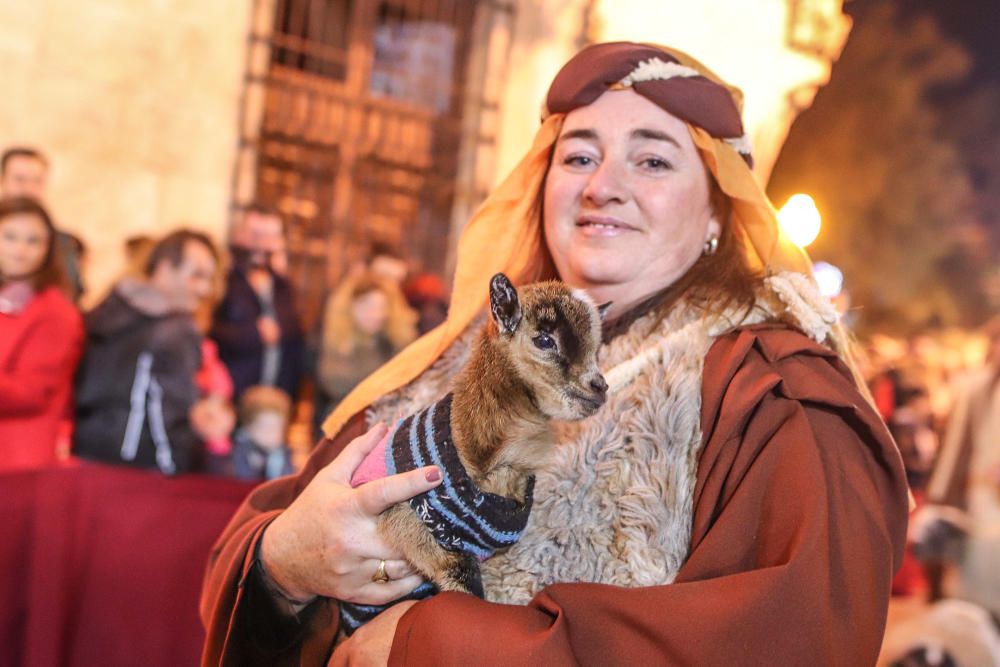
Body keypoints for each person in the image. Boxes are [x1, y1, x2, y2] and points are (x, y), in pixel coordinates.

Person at [201, 42, 909, 665]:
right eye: (579, 155)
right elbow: (245, 556)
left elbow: (791, 638)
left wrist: (439, 645)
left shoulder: (771, 393)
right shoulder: (449, 363)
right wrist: (280, 564)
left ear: (719, 214)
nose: (604, 185)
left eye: (653, 159)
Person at [74, 229, 220, 475]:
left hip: (86, 454)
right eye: (197, 276)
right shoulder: (176, 329)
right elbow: (168, 413)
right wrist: (177, 468)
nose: (205, 289)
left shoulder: (107, 310)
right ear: (164, 268)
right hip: (144, 468)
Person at [913, 317, 1000, 615]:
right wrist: (940, 495)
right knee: (973, 593)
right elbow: (956, 446)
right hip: (978, 503)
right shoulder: (975, 388)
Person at [0, 196, 84, 471]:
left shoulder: (54, 311)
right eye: (10, 237)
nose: (20, 250)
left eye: (33, 241)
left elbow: (30, 392)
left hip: (17, 459)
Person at [210, 205, 305, 401]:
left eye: (270, 237)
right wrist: (252, 333)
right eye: (255, 235)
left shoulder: (283, 287)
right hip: (231, 395)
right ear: (239, 234)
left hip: (273, 398)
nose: (262, 245)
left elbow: (295, 339)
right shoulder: (221, 280)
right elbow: (208, 330)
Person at [313, 271, 417, 438]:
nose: (375, 314)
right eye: (367, 307)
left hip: (381, 428)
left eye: (380, 307)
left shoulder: (393, 341)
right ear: (350, 308)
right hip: (342, 428)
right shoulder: (338, 339)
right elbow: (334, 383)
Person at [0, 146, 84, 300]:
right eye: (20, 179)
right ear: (3, 180)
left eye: (37, 181)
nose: (29, 189)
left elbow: (71, 295)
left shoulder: (62, 242)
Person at [229, 385, 296, 481]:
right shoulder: (240, 449)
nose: (271, 434)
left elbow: (287, 480)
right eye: (265, 428)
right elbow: (244, 478)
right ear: (248, 426)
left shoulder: (283, 452)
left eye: (277, 428)